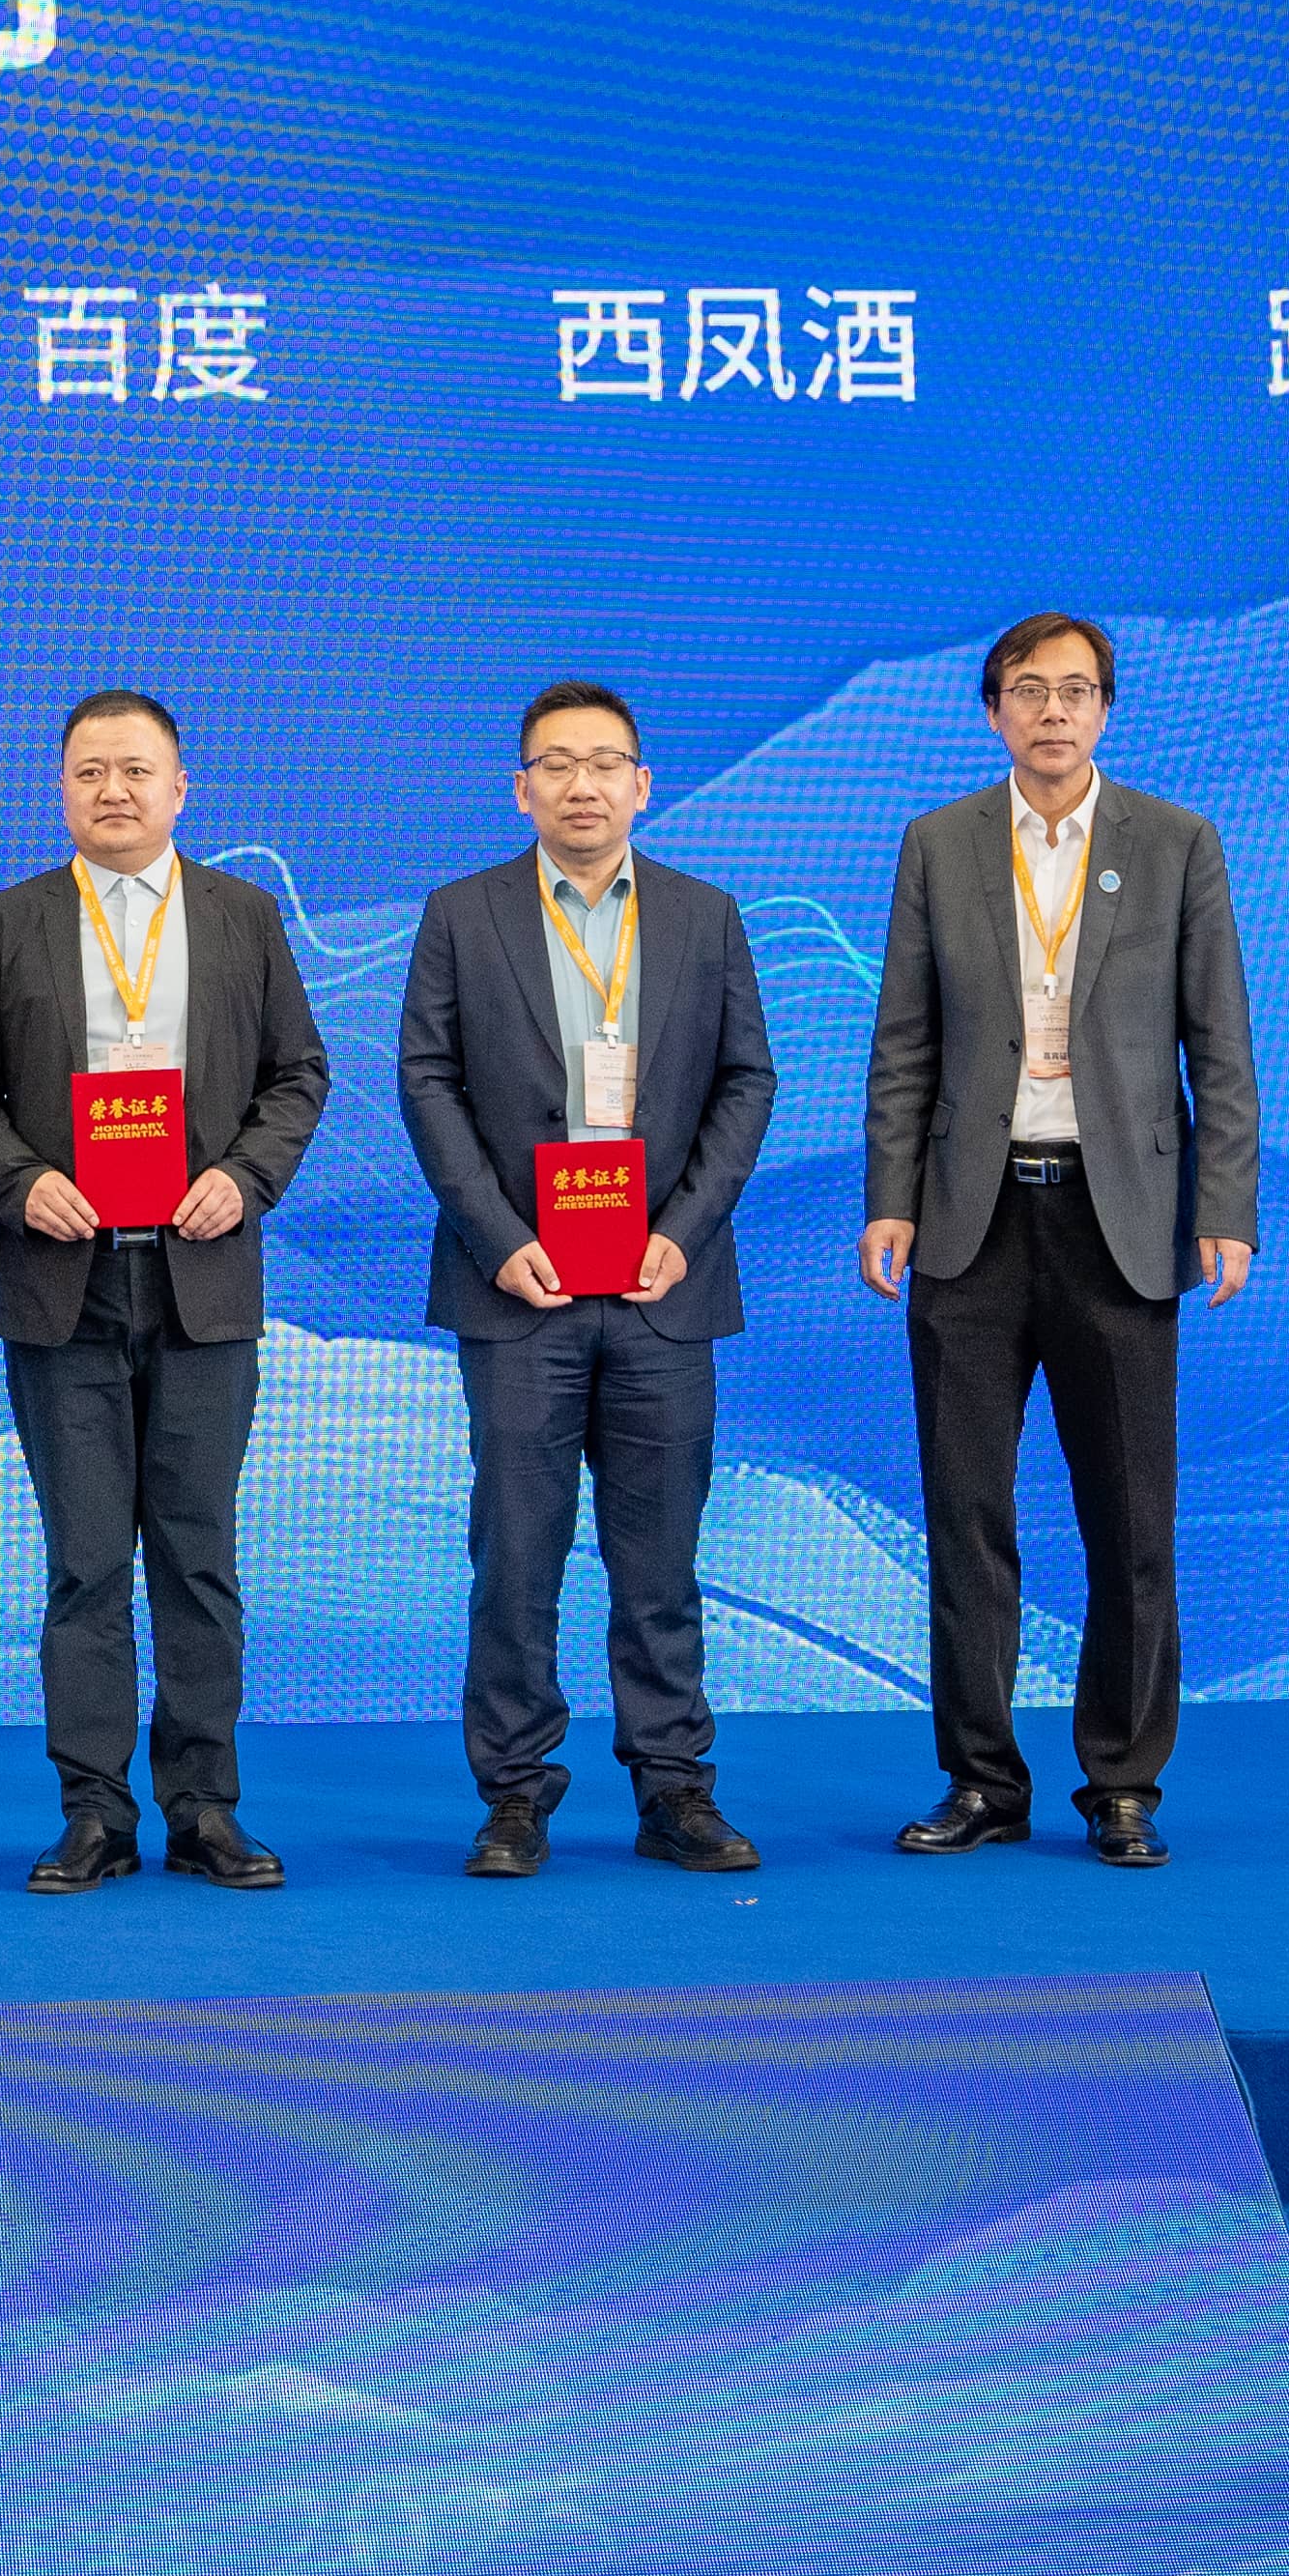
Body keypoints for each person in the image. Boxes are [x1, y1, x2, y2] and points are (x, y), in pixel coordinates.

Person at [864, 610, 1260, 1872]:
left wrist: (1223, 1207)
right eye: (1028, 689)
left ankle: (1122, 1780)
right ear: (993, 709)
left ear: (1104, 709)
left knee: (1129, 1523)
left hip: (1120, 1221)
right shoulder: (938, 842)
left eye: (1075, 690)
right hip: (969, 1221)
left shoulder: (1174, 843)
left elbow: (1220, 1045)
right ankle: (981, 1778)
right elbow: (904, 1038)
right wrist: (889, 1195)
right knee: (965, 1516)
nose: (1052, 710)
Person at [0, 689, 334, 1892]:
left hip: (198, 1277)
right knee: (84, 1561)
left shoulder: (240, 914)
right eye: (88, 770)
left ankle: (204, 1804)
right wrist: (20, 1183)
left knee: (197, 1554)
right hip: (61, 1282)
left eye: (135, 769)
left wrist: (242, 1178)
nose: (112, 790)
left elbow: (297, 1073)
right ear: (60, 788)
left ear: (178, 787)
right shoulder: (7, 921)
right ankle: (93, 1811)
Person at [394, 678, 777, 1879]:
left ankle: (674, 1787)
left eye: (603, 762)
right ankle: (513, 1793)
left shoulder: (704, 915)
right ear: (520, 788)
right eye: (554, 764)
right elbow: (426, 1080)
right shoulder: (462, 914)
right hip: (520, 1288)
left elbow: (745, 1081)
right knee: (515, 1557)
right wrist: (498, 1234)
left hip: (662, 1287)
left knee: (658, 1560)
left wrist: (684, 1229)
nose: (580, 784)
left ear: (640, 785)